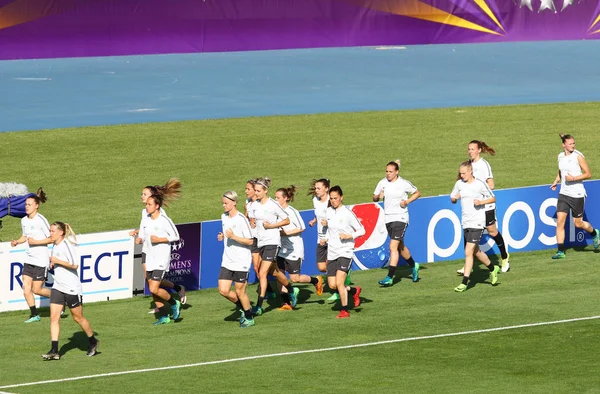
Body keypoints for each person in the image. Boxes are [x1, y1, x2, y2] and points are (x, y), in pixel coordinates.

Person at [38, 222, 99, 360]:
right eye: (50, 231)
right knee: (54, 318)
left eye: (53, 231)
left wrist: (57, 261)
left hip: (71, 288)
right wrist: (53, 263)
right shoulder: (54, 245)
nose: (50, 233)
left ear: (61, 232)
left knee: (78, 317)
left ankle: (93, 341)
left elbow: (74, 265)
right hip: (58, 287)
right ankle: (54, 350)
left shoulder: (67, 245)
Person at [129, 179, 186, 313]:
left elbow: (164, 230)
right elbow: (146, 227)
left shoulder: (161, 215)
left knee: (152, 283)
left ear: (152, 198)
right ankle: (162, 306)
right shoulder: (145, 212)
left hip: (157, 253)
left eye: (144, 194)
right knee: (149, 281)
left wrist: (158, 239)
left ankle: (169, 300)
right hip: (147, 249)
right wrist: (139, 235)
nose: (141, 196)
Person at [248, 177, 297, 316]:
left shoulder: (273, 205)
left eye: (258, 191)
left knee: (262, 273)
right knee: (274, 272)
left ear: (265, 191)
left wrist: (272, 226)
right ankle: (291, 289)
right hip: (261, 242)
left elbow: (286, 220)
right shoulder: (254, 206)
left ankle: (258, 306)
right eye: (255, 190)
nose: (256, 193)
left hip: (272, 242)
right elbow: (253, 221)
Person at [451, 161, 500, 292]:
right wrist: (454, 199)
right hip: (465, 222)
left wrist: (481, 202)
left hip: (478, 222)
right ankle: (492, 268)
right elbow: (452, 197)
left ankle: (464, 282)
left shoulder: (479, 184)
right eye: (460, 173)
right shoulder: (459, 184)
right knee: (476, 252)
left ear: (470, 171)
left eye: (463, 173)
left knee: (468, 251)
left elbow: (493, 198)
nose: (461, 176)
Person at [463, 140, 510, 273]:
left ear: (479, 150)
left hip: (486, 205)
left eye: (473, 149)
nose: (470, 151)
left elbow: (491, 185)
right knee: (469, 234)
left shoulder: (484, 165)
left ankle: (505, 257)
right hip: (474, 207)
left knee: (492, 232)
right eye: (469, 149)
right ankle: (468, 264)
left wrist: (479, 190)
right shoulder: (468, 165)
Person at [550, 133, 600, 259]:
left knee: (578, 223)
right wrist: (556, 180)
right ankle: (561, 251)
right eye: (570, 143)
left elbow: (588, 174)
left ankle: (594, 233)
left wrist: (573, 178)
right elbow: (562, 171)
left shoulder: (578, 157)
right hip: (564, 193)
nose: (573, 145)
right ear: (564, 145)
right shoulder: (560, 156)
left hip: (577, 194)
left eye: (574, 143)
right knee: (560, 222)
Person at [373, 160, 421, 286]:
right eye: (387, 171)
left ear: (397, 172)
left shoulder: (404, 183)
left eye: (390, 172)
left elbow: (417, 192)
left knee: (393, 247)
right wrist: (378, 196)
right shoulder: (382, 183)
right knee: (400, 247)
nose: (388, 174)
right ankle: (413, 265)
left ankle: (389, 277)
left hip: (401, 218)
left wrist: (407, 202)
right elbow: (374, 197)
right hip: (388, 219)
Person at [275, 186, 324, 309]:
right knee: (279, 276)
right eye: (275, 197)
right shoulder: (276, 212)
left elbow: (302, 227)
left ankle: (315, 281)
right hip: (281, 249)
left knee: (294, 278)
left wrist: (284, 233)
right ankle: (286, 303)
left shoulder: (292, 212)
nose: (275, 200)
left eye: (278, 198)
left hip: (293, 250)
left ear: (285, 198)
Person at [136, 194, 181, 325]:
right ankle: (164, 316)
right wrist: (140, 239)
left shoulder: (164, 220)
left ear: (157, 206)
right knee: (152, 289)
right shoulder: (145, 219)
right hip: (149, 257)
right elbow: (142, 235)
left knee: (154, 288)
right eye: (146, 204)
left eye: (149, 204)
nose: (147, 206)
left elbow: (176, 236)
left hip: (161, 258)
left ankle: (174, 303)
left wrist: (160, 239)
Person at [10, 189, 53, 323]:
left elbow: (51, 238)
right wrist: (17, 241)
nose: (26, 206)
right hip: (29, 259)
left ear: (36, 205)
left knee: (37, 289)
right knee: (26, 288)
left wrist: (36, 242)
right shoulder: (24, 220)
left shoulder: (41, 220)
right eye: (26, 204)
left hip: (41, 260)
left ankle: (61, 298)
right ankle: (35, 314)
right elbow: (25, 236)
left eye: (29, 204)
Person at [320, 186, 364, 318]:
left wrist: (349, 236)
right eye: (331, 198)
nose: (333, 201)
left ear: (341, 197)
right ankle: (354, 291)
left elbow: (362, 230)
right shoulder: (328, 211)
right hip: (332, 252)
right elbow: (329, 230)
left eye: (335, 198)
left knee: (339, 282)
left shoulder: (347, 213)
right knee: (333, 285)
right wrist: (325, 239)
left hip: (345, 251)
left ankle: (344, 310)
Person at [217, 191, 256, 328]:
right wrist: (223, 236)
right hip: (227, 260)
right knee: (223, 290)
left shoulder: (241, 219)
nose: (224, 205)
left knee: (240, 291)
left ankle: (249, 317)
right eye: (223, 203)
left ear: (234, 202)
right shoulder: (224, 217)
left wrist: (233, 237)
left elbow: (250, 241)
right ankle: (245, 308)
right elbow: (227, 233)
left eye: (226, 203)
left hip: (241, 261)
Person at [244, 179, 275, 298]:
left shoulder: (263, 203)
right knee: (256, 267)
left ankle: (287, 290)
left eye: (248, 189)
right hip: (253, 237)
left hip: (263, 238)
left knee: (270, 270)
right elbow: (246, 218)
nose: (246, 191)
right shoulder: (247, 203)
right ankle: (268, 291)